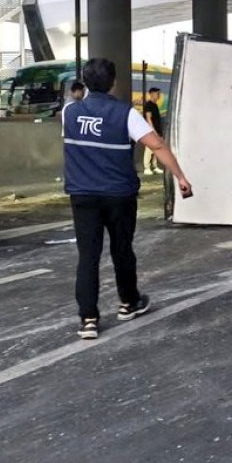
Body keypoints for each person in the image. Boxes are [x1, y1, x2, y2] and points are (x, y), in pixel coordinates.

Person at [63, 58, 193, 340]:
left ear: (85, 82)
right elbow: (156, 144)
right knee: (122, 249)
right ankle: (128, 302)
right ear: (113, 83)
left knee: (88, 256)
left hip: (82, 195)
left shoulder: (69, 112)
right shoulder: (125, 114)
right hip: (118, 195)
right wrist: (179, 176)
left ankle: (88, 319)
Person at [142, 87, 164, 175]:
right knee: (149, 149)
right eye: (157, 93)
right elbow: (148, 119)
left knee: (155, 149)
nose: (158, 95)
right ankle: (146, 168)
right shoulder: (148, 105)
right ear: (151, 94)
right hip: (150, 131)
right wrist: (153, 131)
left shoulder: (155, 105)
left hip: (157, 130)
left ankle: (154, 166)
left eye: (159, 93)